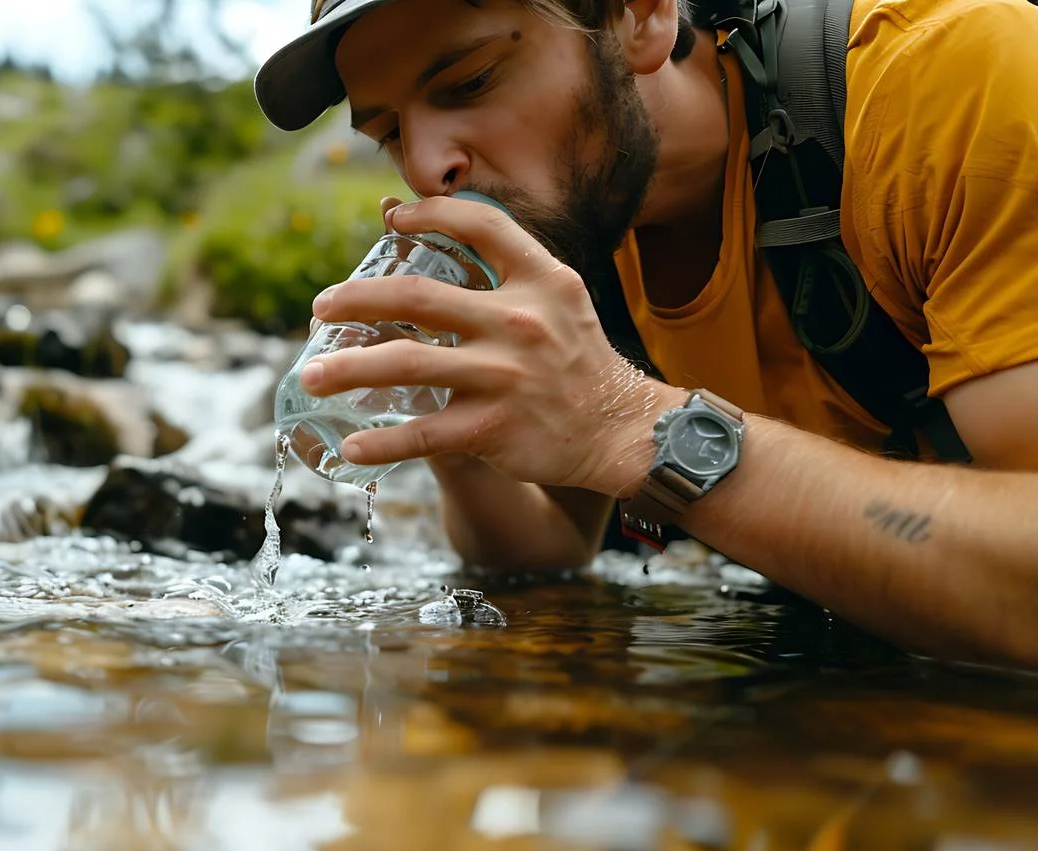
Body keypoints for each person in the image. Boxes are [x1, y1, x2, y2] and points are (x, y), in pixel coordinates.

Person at [250, 0, 1038, 669]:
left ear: (641, 14)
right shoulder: (575, 222)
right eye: (388, 132)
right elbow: (548, 551)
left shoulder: (950, 83)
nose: (425, 167)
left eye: (471, 81)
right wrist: (458, 432)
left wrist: (634, 427)